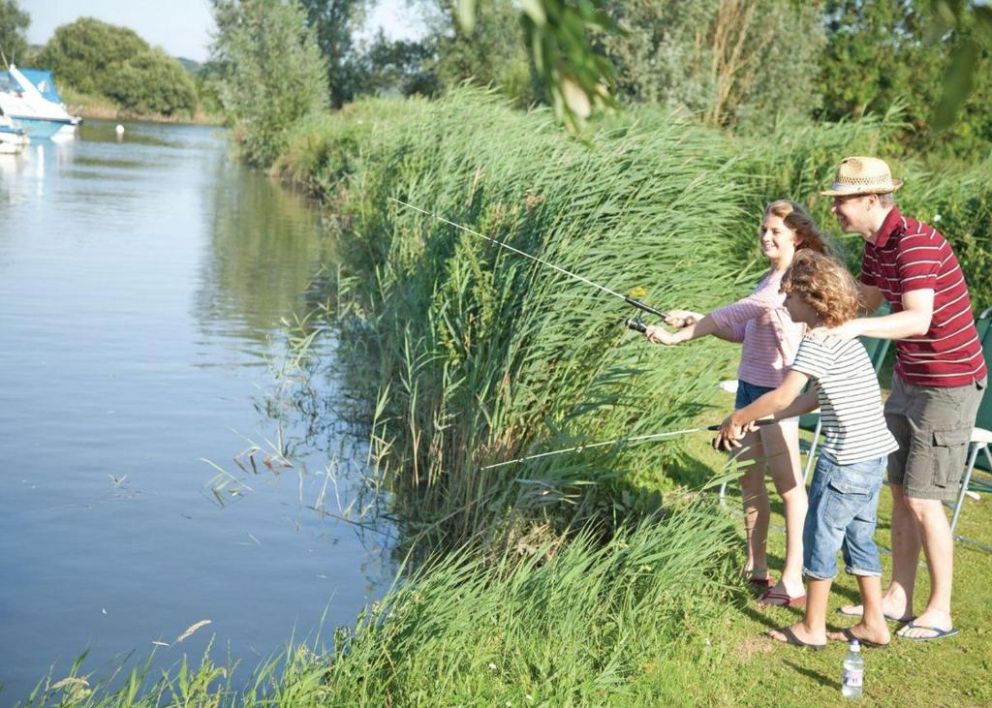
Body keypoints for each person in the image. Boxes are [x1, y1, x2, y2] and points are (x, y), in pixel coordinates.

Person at [820, 156, 987, 641]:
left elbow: (917, 320)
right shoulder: (878, 245)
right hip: (912, 377)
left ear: (872, 200)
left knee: (923, 497)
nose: (836, 210)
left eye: (842, 201)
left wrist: (852, 327)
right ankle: (899, 594)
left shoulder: (913, 243)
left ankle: (940, 610)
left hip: (949, 382)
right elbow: (867, 299)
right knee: (898, 488)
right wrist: (817, 309)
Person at [645, 200, 827, 606]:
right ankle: (756, 566)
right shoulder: (768, 277)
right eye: (763, 229)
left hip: (777, 396)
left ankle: (793, 577)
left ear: (797, 236)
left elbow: (744, 309)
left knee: (789, 488)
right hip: (749, 388)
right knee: (749, 482)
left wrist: (681, 337)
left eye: (775, 231)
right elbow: (745, 329)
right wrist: (698, 320)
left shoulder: (795, 278)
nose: (766, 236)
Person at [715, 250, 899, 649]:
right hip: (873, 456)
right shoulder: (843, 334)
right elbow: (814, 399)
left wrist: (739, 416)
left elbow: (783, 394)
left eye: (791, 297)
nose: (784, 303)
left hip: (845, 459)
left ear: (812, 298)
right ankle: (873, 622)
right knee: (859, 538)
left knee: (820, 537)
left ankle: (812, 627)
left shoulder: (816, 340)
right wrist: (761, 420)